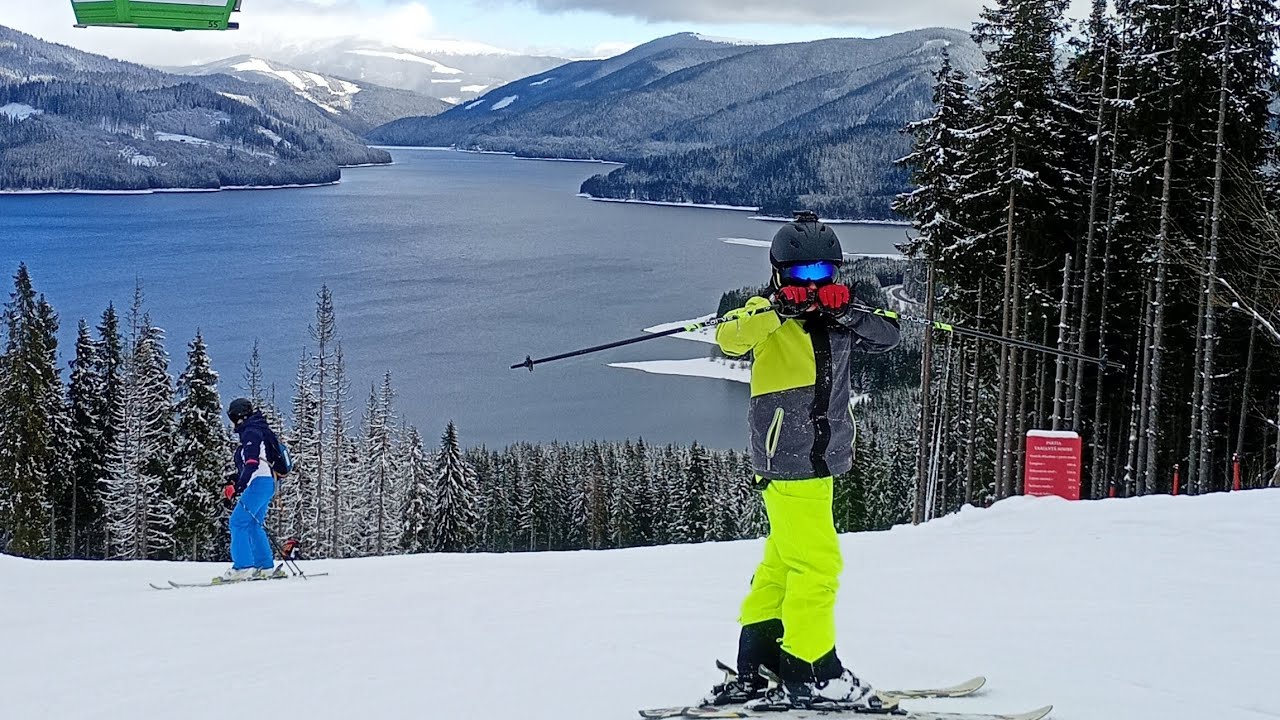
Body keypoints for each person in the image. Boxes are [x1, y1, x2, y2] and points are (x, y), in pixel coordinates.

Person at [705, 211, 901, 710]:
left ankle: (760, 660)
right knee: (818, 565)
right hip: (790, 459)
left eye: (822, 275)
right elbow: (729, 336)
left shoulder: (839, 317)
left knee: (783, 561)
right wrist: (777, 309)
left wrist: (849, 310)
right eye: (800, 275)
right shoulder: (764, 316)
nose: (811, 285)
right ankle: (812, 671)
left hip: (820, 458)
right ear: (778, 274)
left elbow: (890, 335)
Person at [218, 397, 286, 583]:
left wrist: (239, 487)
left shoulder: (251, 431)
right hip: (268, 483)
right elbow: (254, 463)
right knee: (255, 524)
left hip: (259, 483)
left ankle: (243, 567)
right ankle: (265, 566)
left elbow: (252, 463)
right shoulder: (259, 428)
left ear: (238, 416)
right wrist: (235, 479)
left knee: (238, 522)